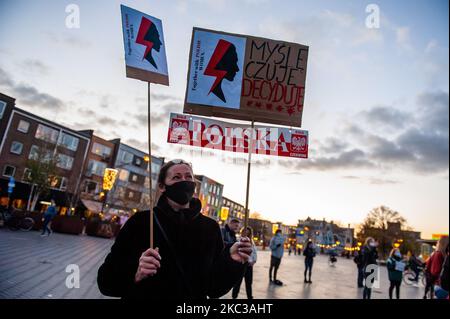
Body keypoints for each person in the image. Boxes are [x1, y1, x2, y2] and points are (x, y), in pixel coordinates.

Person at [97, 159, 252, 299]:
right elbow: (105, 282)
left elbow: (214, 289)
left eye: (188, 177)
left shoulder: (210, 228)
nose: (184, 181)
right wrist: (136, 273)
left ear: (194, 185)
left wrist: (232, 261)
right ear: (162, 186)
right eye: (176, 177)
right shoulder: (141, 222)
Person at [232, 226, 257, 299]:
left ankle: (250, 297)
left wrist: (253, 261)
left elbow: (254, 252)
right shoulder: (238, 240)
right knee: (237, 282)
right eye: (245, 232)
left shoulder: (252, 242)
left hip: (249, 266)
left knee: (249, 283)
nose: (247, 233)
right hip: (240, 265)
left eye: (248, 233)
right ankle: (234, 296)